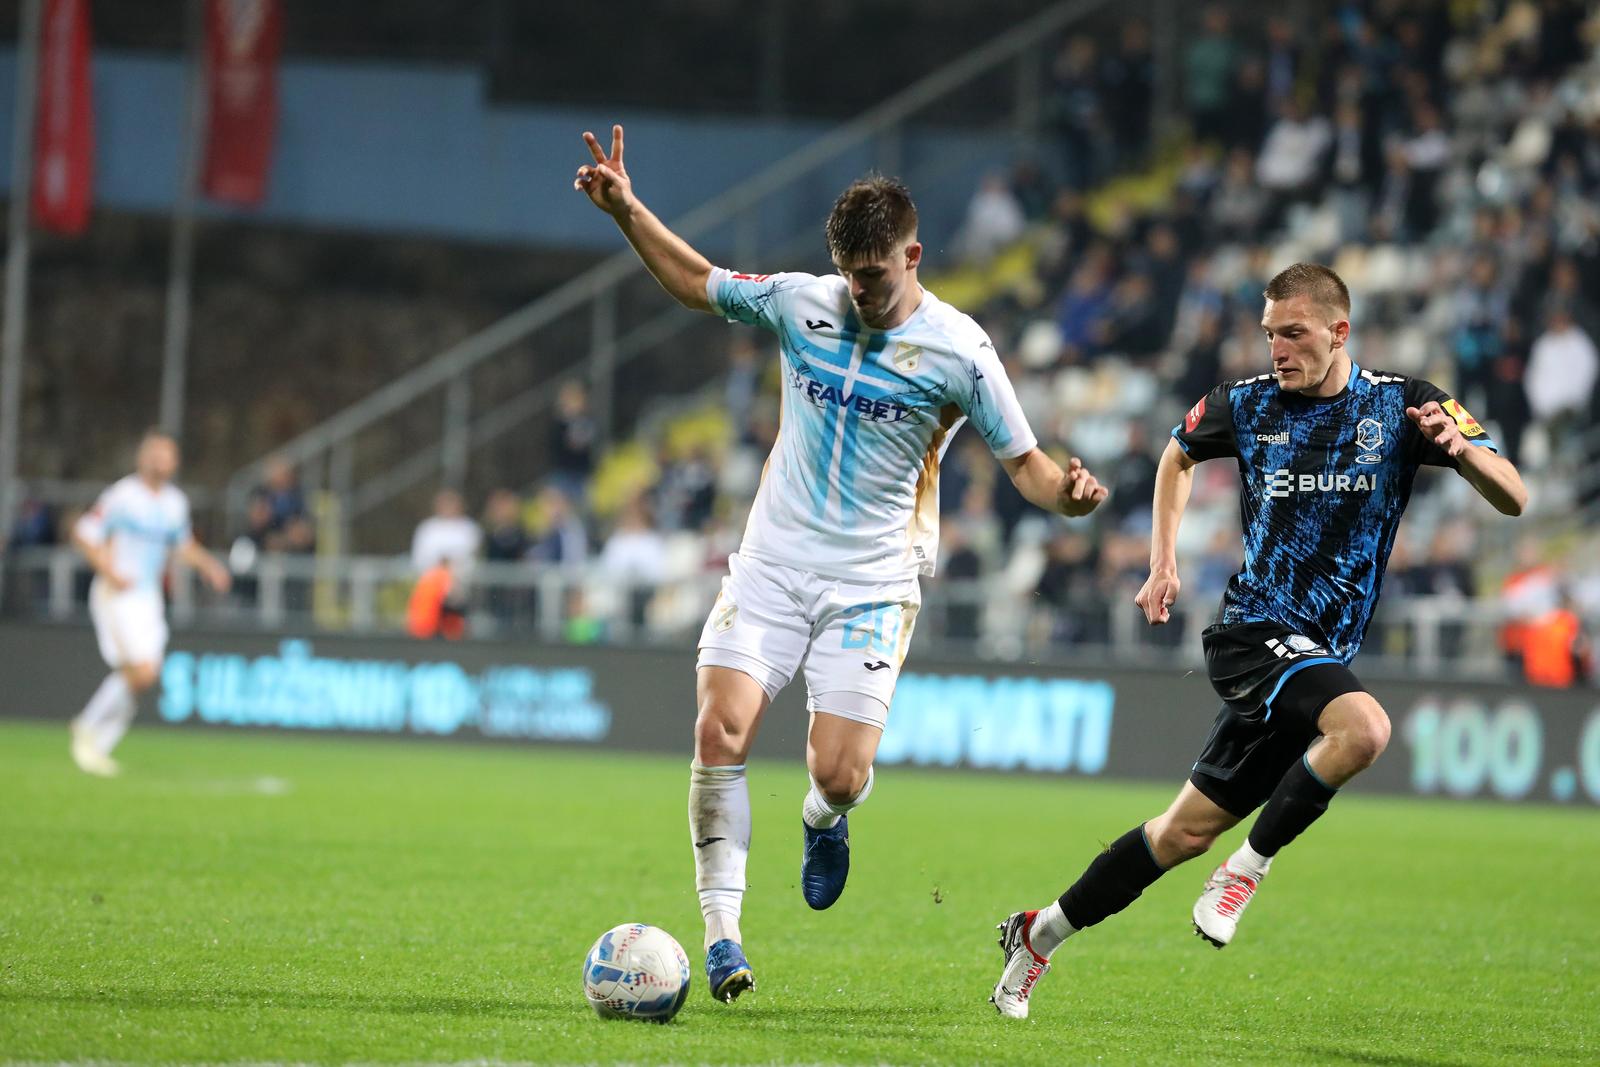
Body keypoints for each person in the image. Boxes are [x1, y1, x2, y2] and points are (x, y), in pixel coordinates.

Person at [574, 124, 1109, 1004]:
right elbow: (694, 283)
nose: (861, 290)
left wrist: (1072, 496)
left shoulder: (963, 352)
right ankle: (722, 939)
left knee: (839, 773)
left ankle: (824, 820)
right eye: (851, 274)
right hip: (773, 563)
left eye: (878, 274)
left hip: (872, 580)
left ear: (914, 254)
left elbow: (1028, 464)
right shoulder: (798, 301)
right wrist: (629, 211)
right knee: (720, 730)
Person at [990, 263, 1527, 1018]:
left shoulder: (1405, 405)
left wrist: (1464, 451)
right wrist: (1163, 560)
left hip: (1315, 660)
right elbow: (1176, 452)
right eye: (1270, 332)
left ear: (1340, 332)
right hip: (1254, 633)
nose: (1278, 348)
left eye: (1294, 333)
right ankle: (1249, 868)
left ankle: (1036, 934)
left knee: (1180, 833)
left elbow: (1515, 494)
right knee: (1365, 728)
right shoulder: (1248, 406)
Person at [68, 431, 231, 776]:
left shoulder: (174, 503)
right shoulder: (123, 496)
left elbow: (182, 546)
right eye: (155, 454)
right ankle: (87, 727)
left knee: (146, 675)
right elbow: (84, 533)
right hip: (118, 594)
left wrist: (210, 567)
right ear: (142, 458)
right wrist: (109, 570)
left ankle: (97, 746)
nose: (161, 461)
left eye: (167, 455)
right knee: (139, 672)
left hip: (148, 598)